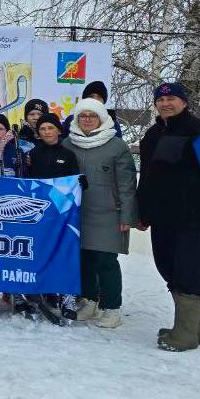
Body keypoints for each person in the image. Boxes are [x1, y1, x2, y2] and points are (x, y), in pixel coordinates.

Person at [137, 82, 200, 352]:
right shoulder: (153, 134)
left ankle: (186, 335)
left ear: (184, 102)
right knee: (168, 268)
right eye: (161, 100)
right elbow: (148, 176)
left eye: (172, 99)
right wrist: (142, 212)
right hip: (162, 217)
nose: (166, 103)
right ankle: (196, 330)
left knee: (189, 271)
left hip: (192, 219)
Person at [63, 99, 138, 329]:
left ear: (102, 118)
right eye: (83, 115)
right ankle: (90, 302)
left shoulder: (116, 146)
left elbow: (127, 184)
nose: (87, 119)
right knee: (84, 259)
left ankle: (112, 308)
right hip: (78, 212)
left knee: (106, 261)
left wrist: (127, 215)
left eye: (92, 115)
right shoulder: (68, 143)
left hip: (109, 213)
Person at [27, 112, 82, 321]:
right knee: (40, 251)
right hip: (39, 211)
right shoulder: (33, 154)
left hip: (62, 212)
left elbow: (74, 182)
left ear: (58, 130)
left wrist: (81, 184)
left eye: (50, 128)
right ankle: (42, 291)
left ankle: (67, 297)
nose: (47, 132)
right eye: (42, 129)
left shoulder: (68, 155)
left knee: (63, 251)